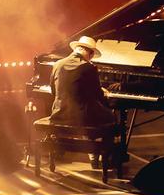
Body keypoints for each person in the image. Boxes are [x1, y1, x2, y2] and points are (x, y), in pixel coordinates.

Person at [50, 36, 117, 168]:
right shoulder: (88, 67)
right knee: (111, 117)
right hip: (81, 117)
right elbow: (97, 96)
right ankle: (103, 158)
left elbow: (53, 91)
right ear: (90, 53)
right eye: (92, 56)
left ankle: (93, 155)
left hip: (58, 114)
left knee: (89, 109)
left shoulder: (57, 64)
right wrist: (106, 93)